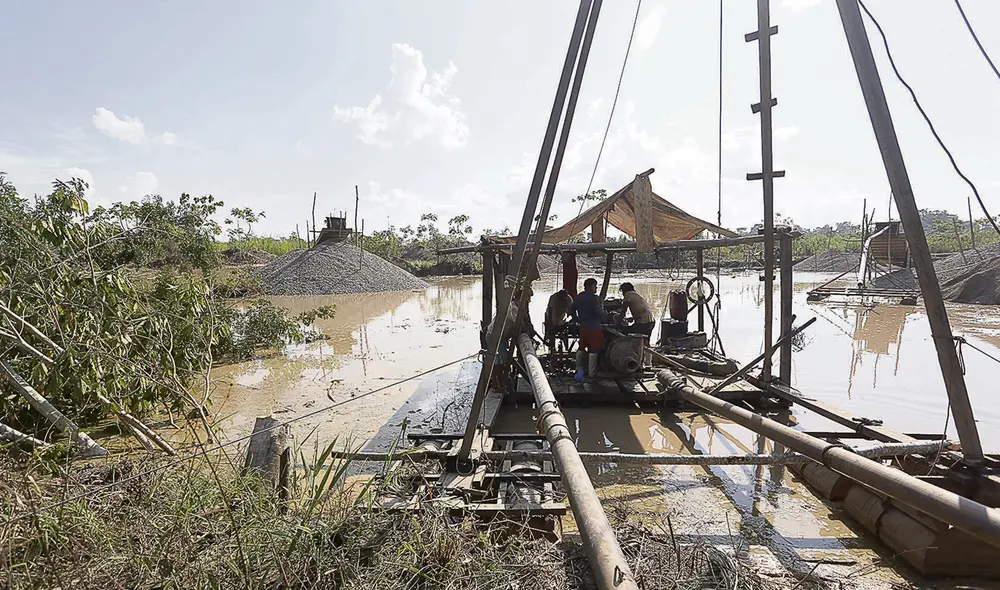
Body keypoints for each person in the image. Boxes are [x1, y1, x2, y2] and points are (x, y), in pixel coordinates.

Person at [571, 278, 606, 381]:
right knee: (594, 349)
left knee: (582, 347)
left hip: (583, 327)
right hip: (594, 327)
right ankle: (592, 373)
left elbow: (572, 309)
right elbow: (597, 311)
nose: (596, 288)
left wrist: (576, 319)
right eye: (595, 286)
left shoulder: (578, 297)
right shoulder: (594, 298)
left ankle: (578, 369)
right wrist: (606, 316)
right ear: (589, 286)